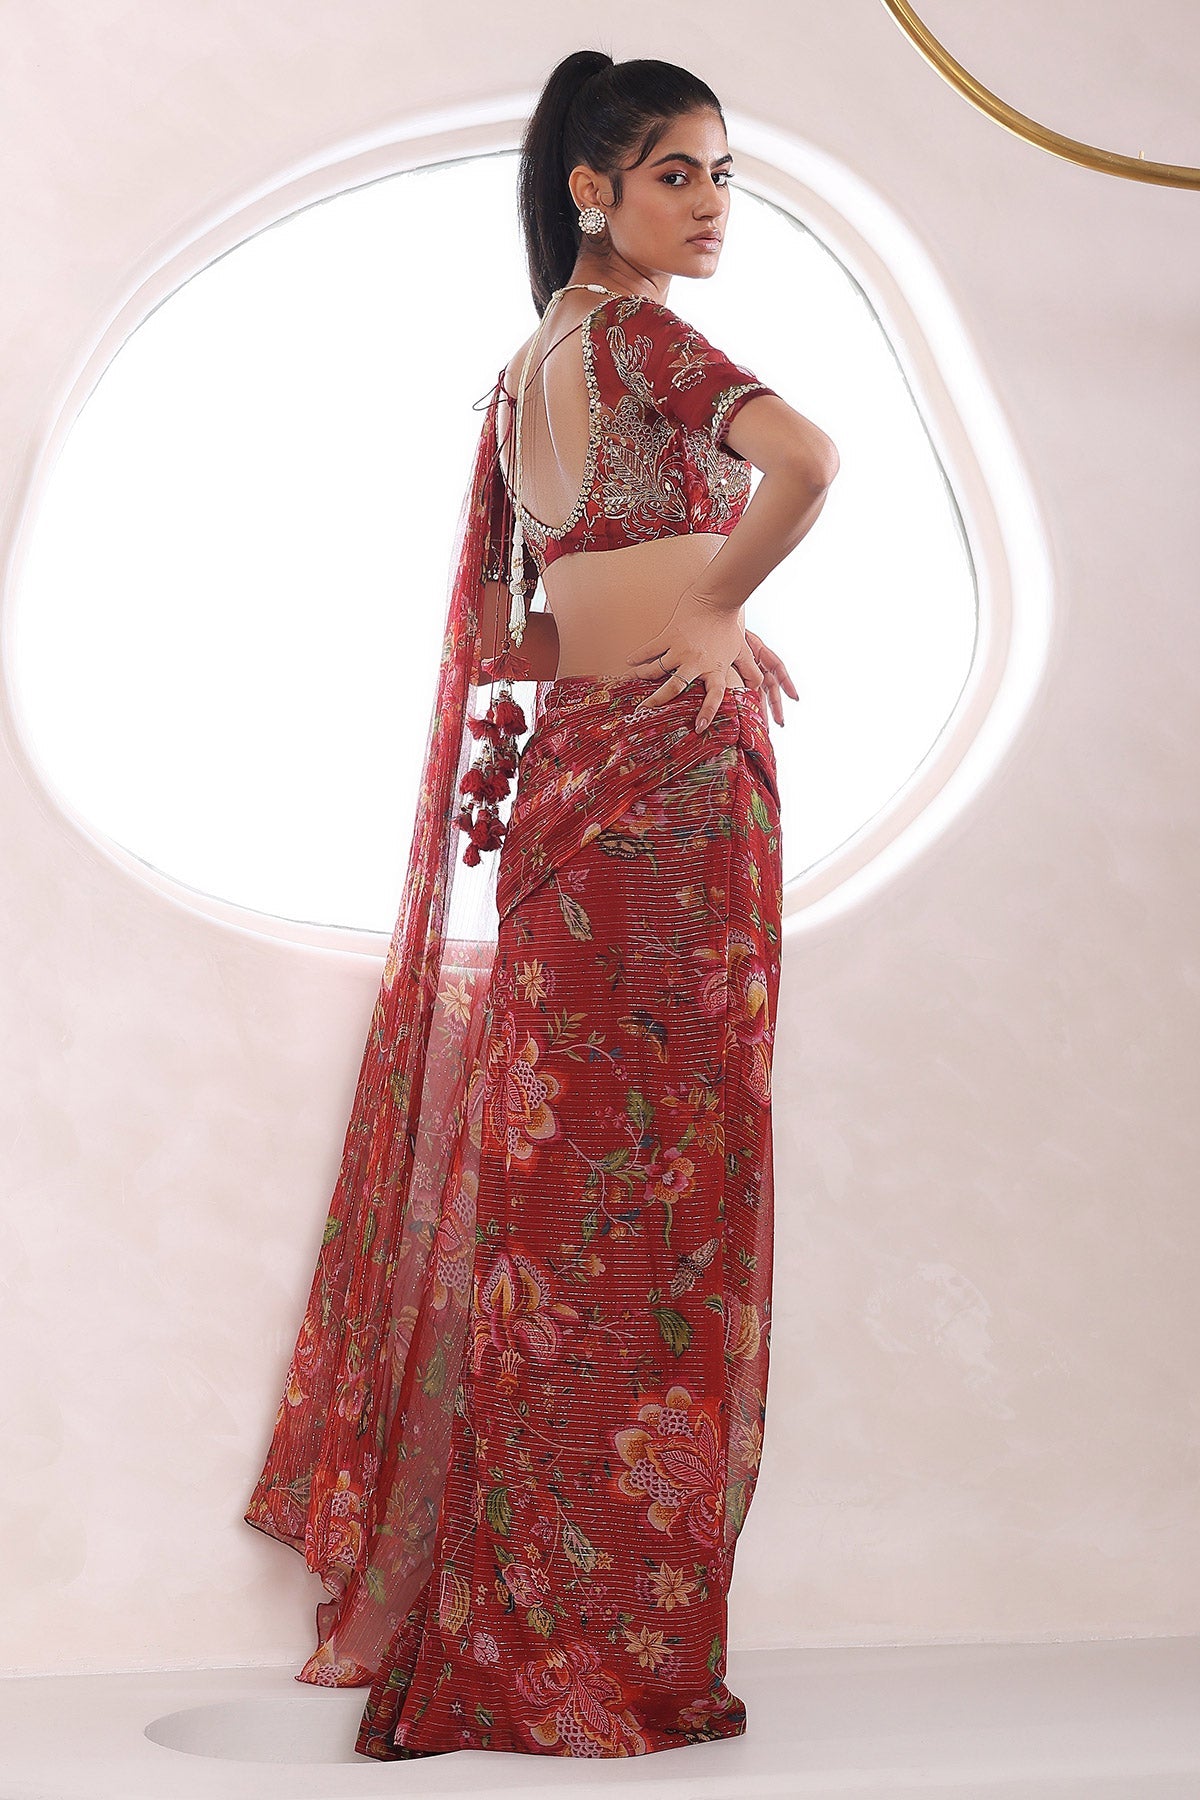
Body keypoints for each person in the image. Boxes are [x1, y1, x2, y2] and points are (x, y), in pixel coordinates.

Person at [243, 50, 839, 1761]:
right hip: (674, 793)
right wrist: (712, 607)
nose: (712, 206)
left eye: (724, 175)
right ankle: (609, 1650)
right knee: (667, 1195)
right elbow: (810, 462)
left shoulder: (524, 376)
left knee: (568, 1206)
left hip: (577, 780)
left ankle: (534, 1628)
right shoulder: (641, 341)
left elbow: (520, 637)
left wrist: (674, 609)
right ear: (595, 188)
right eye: (678, 174)